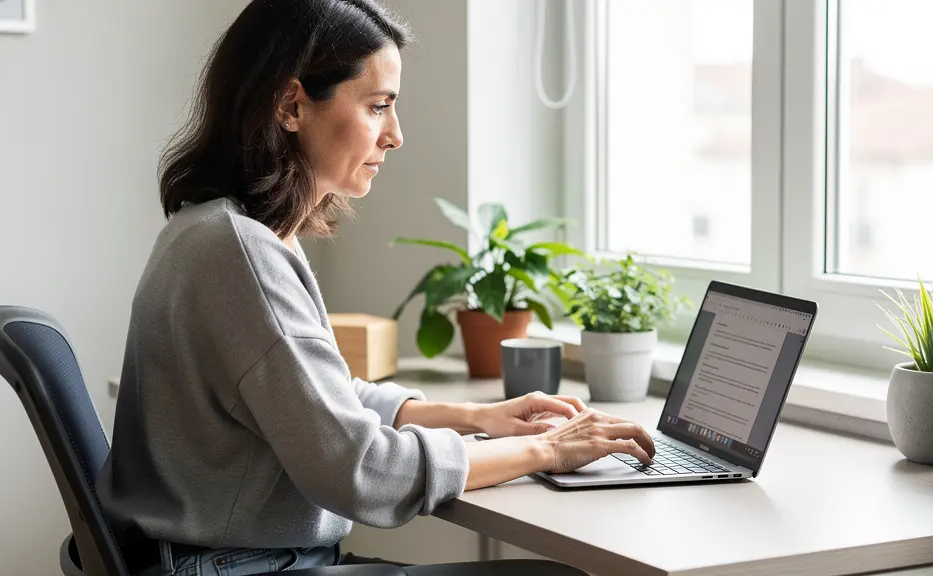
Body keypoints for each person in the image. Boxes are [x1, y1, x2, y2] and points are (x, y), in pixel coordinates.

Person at [96, 1, 656, 574]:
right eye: (377, 106)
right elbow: (359, 468)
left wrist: (480, 418)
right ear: (291, 105)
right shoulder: (237, 252)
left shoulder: (219, 230)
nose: (395, 135)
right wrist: (548, 449)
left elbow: (321, 401)